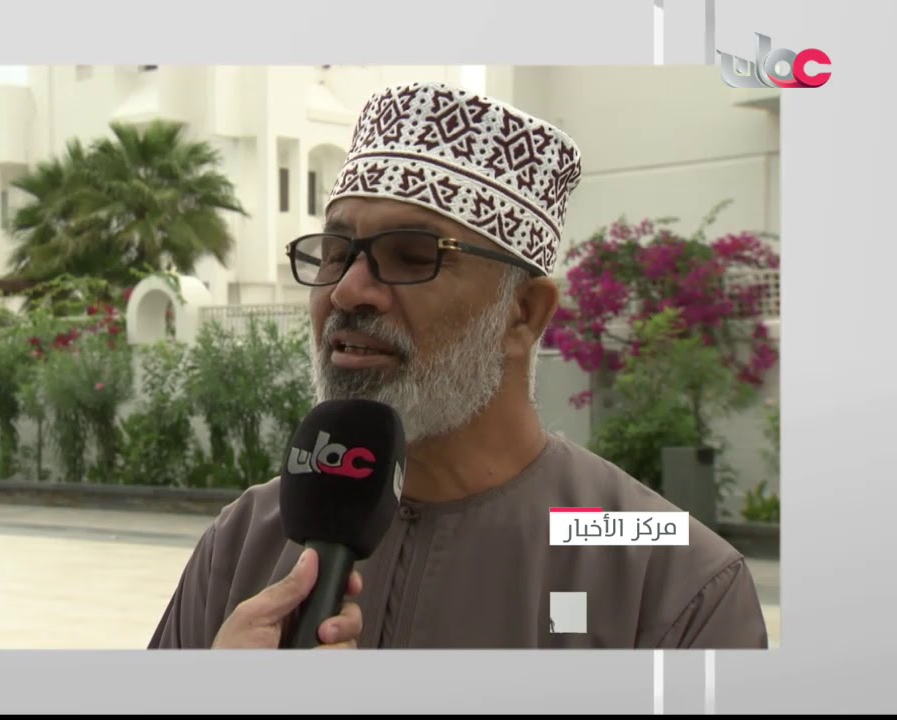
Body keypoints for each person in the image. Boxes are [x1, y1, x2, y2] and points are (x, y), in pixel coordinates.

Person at [148, 81, 769, 650]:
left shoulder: (668, 576)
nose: (347, 290)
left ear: (523, 313)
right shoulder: (246, 540)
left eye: (412, 255)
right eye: (336, 252)